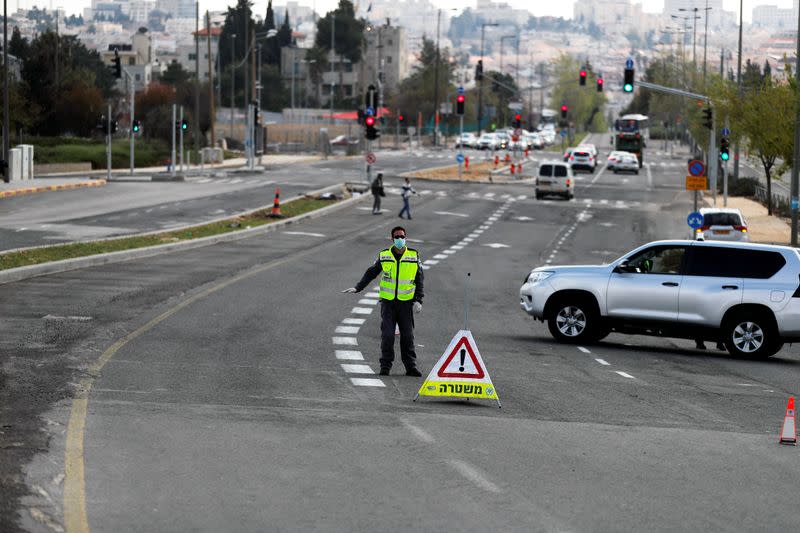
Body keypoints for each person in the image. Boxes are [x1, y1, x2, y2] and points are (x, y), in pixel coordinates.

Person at [342, 226, 424, 376]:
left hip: (406, 303)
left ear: (406, 237)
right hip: (388, 303)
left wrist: (419, 299)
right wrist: (358, 287)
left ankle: (410, 367)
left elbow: (419, 278)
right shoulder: (385, 255)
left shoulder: (413, 256)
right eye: (397, 237)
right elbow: (371, 272)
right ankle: (385, 366)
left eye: (402, 236)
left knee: (407, 336)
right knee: (387, 335)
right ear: (392, 239)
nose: (400, 239)